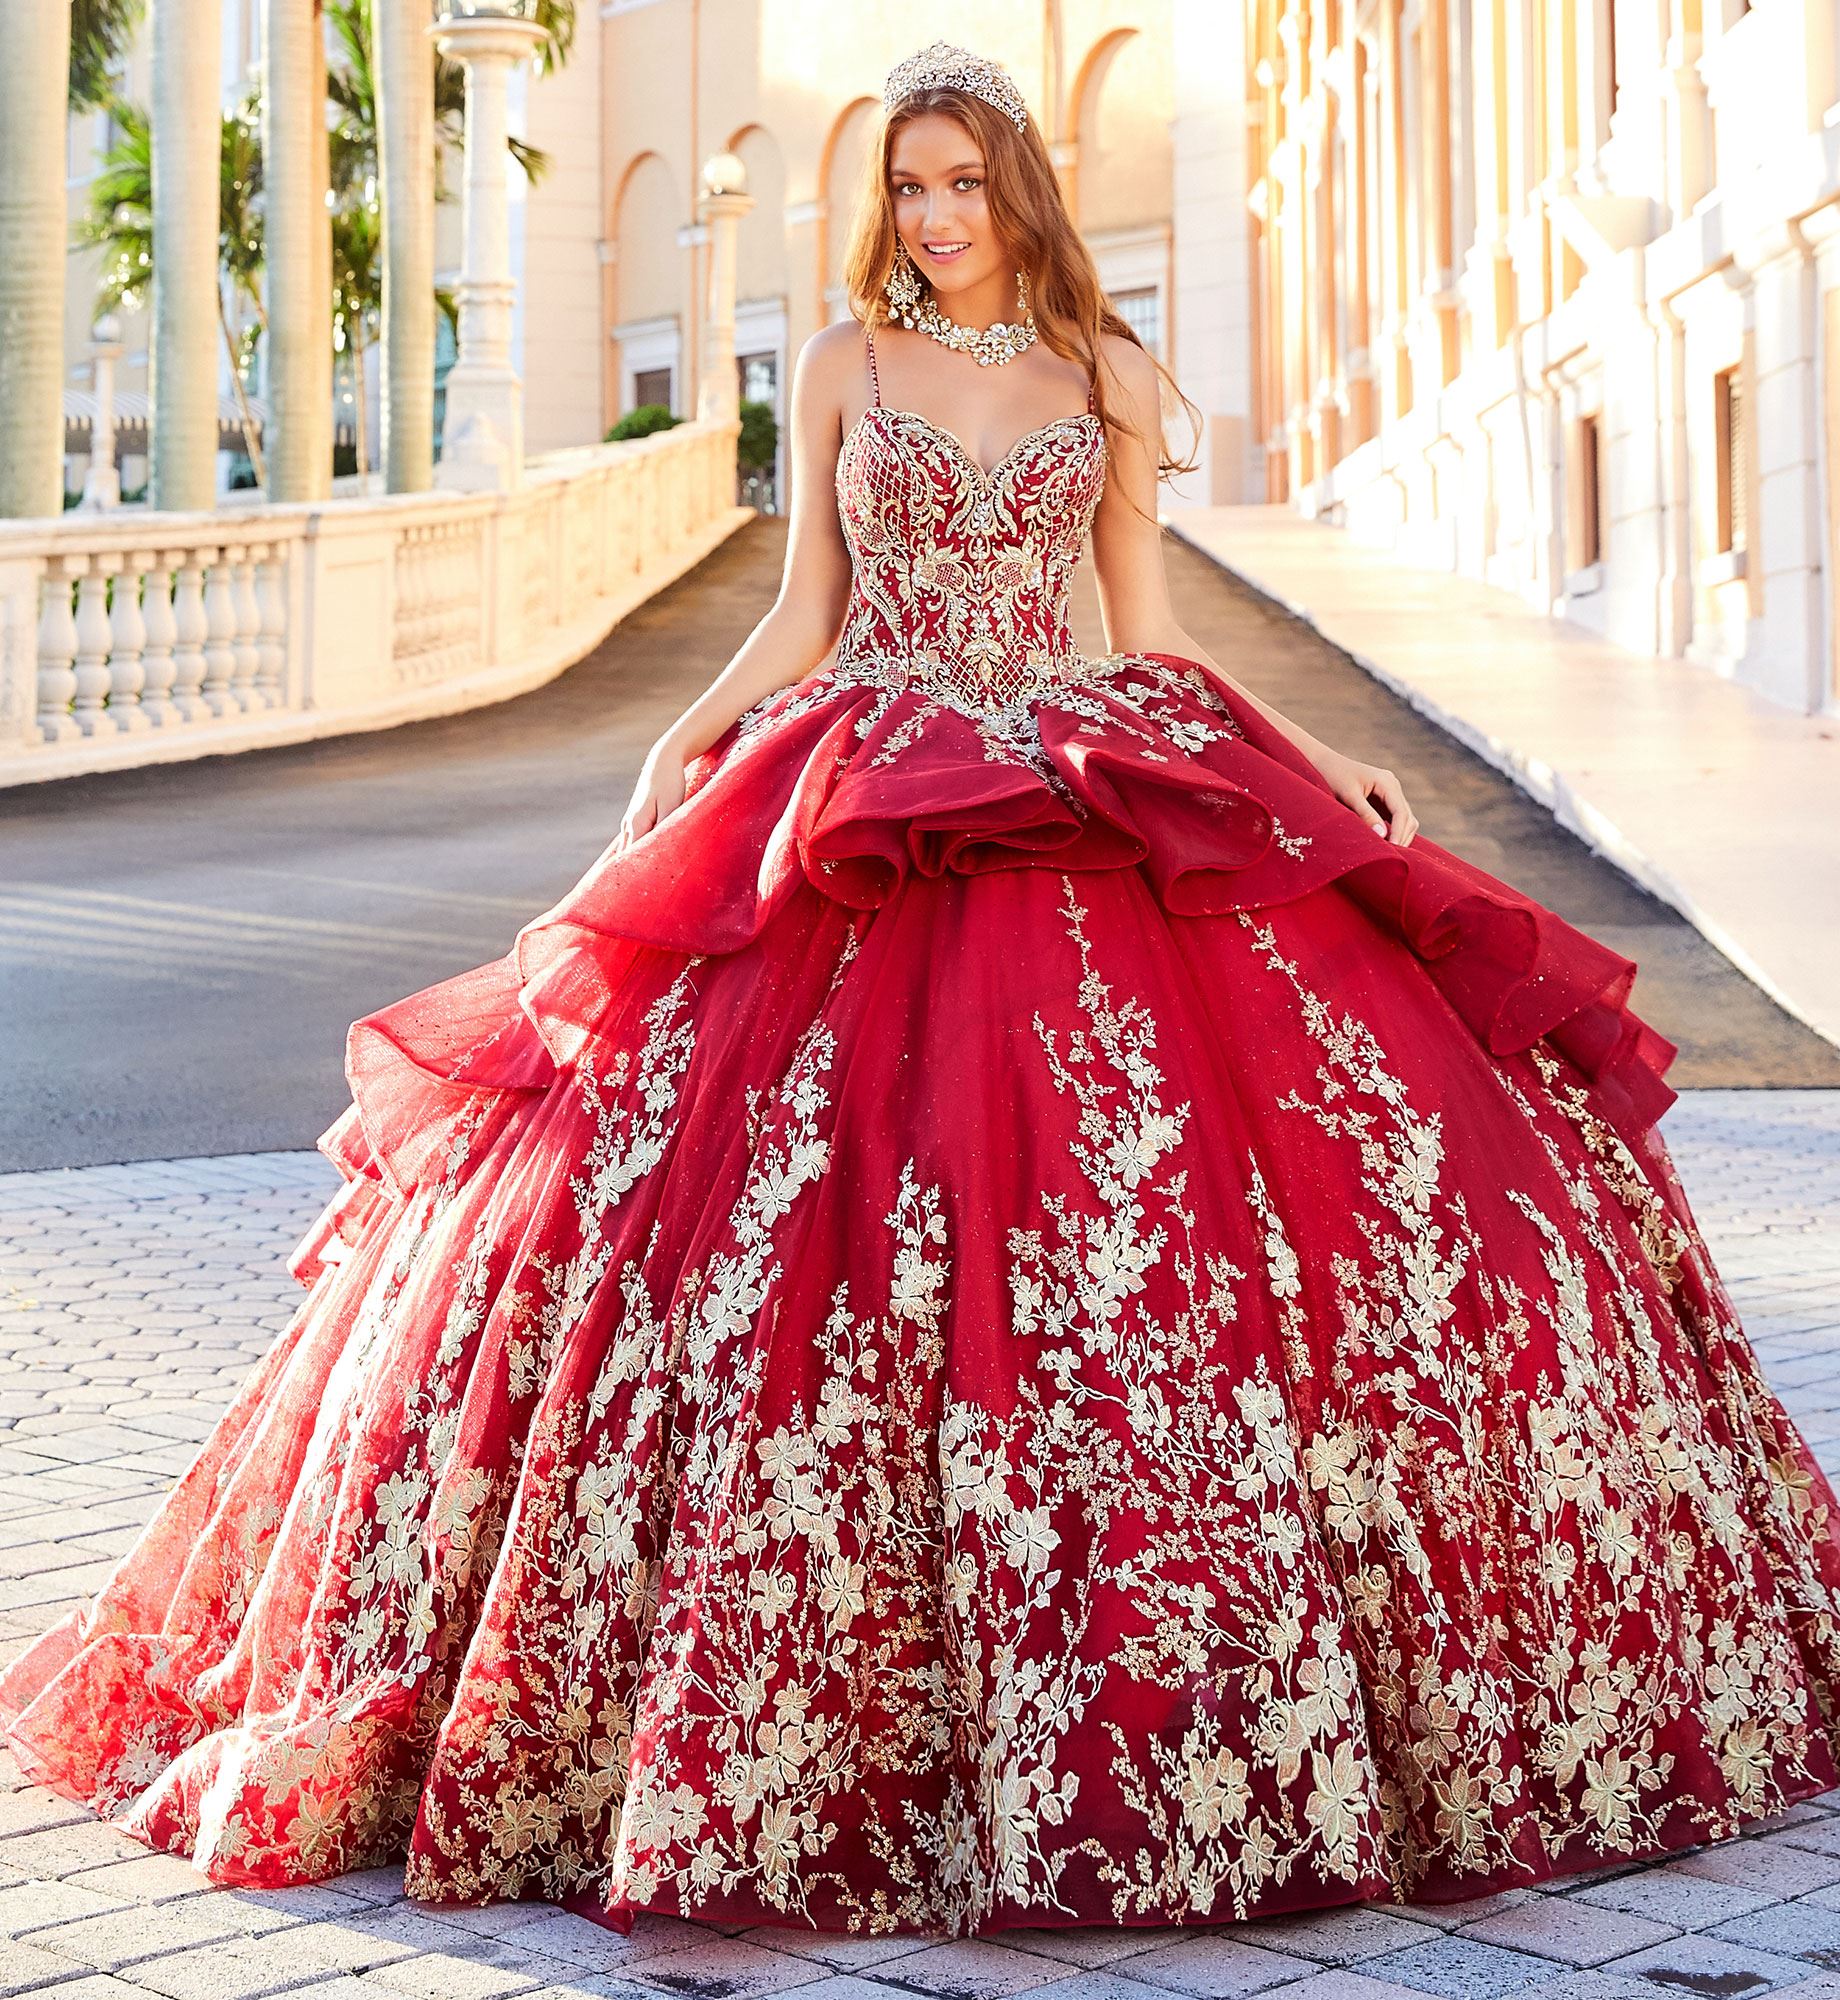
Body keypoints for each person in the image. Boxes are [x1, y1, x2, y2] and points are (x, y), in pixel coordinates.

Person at [6, 38, 1840, 1946]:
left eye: (965, 183)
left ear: (1021, 191)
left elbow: (1148, 621)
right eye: (908, 185)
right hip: (867, 777)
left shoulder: (1107, 378)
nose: (936, 217)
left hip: (1076, 756)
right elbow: (805, 607)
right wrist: (687, 750)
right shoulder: (841, 366)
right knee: (750, 1194)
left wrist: (1319, 761)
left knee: (1186, 1186)